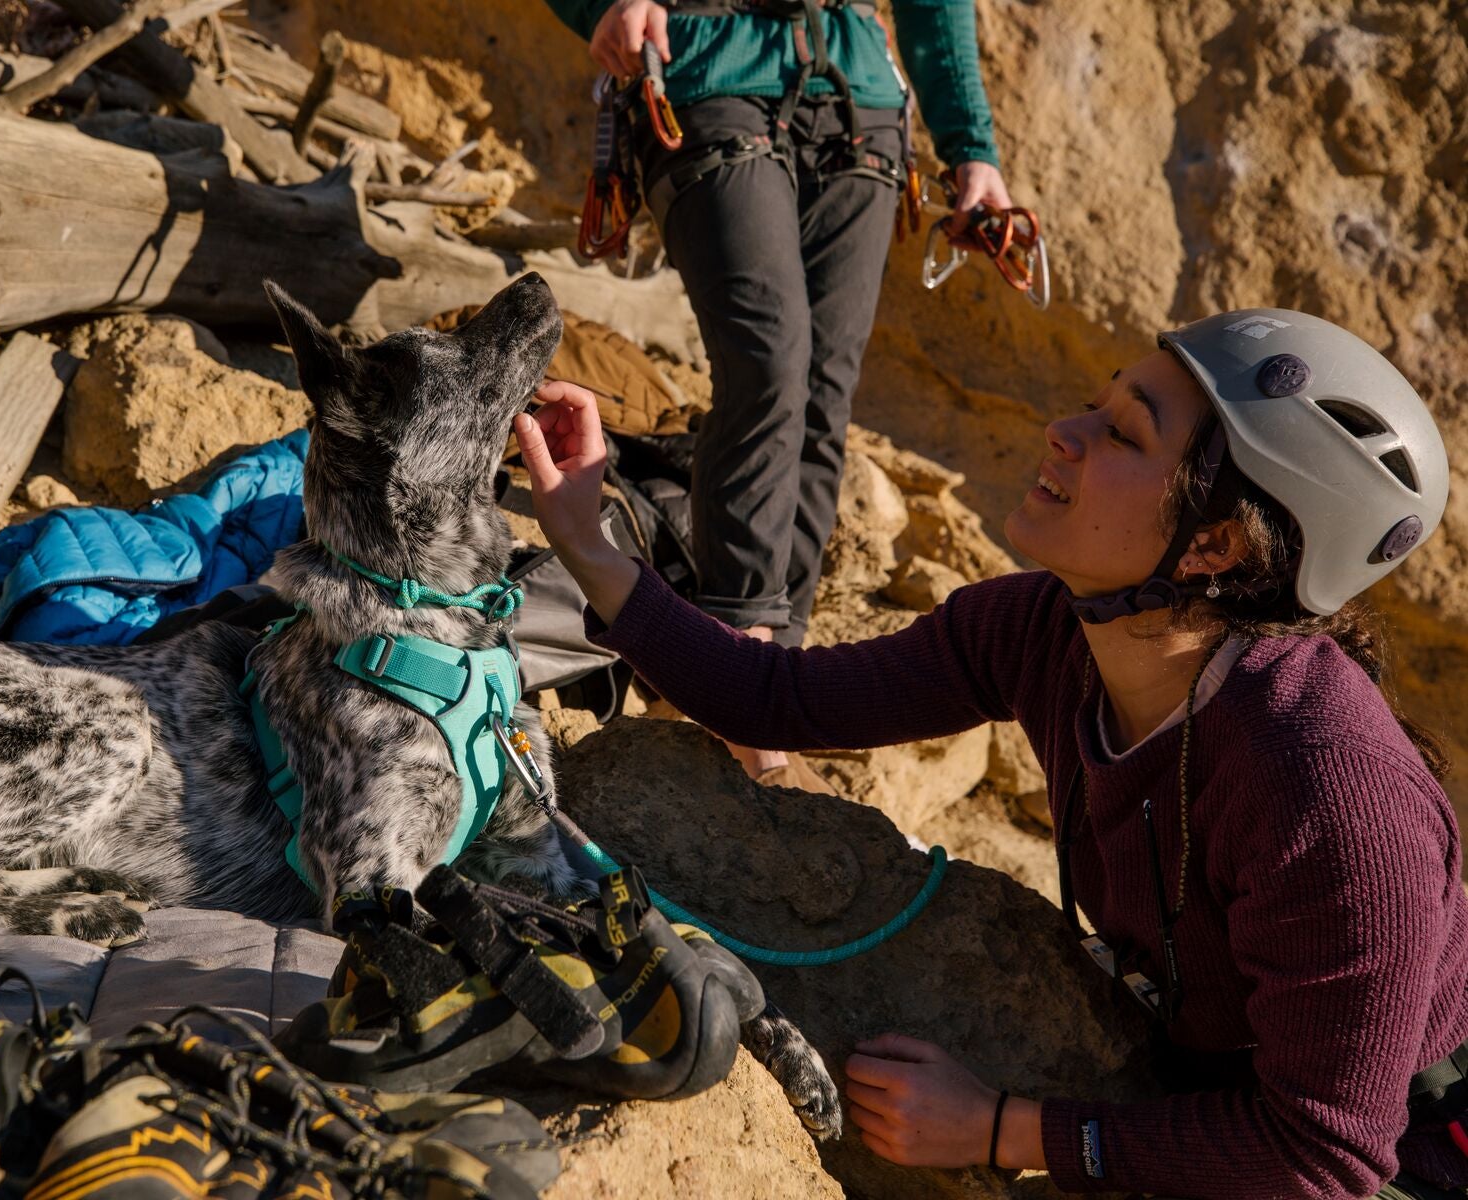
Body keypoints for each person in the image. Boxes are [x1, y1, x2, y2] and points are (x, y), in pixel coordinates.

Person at [512, 308, 1468, 1199]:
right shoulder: (1047, 633)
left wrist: (1003, 1128)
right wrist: (590, 542)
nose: (1064, 430)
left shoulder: (1326, 793)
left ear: (1214, 546)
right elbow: (778, 699)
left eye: (1122, 432)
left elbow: (1323, 1155)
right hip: (1215, 1094)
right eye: (1095, 402)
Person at [541, 0, 1010, 789]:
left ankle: (770, 682)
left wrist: (971, 146)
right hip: (705, 68)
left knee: (823, 394)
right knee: (769, 361)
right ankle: (735, 679)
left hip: (860, 96)